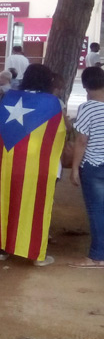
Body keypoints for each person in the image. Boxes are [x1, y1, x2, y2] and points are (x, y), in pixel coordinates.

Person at [0, 64, 65, 266]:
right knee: (33, 205)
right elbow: (57, 134)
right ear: (48, 81)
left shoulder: (10, 98)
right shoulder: (52, 102)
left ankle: (2, 249)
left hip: (4, 164)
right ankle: (34, 254)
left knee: (4, 202)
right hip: (35, 167)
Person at [70, 66, 104, 268]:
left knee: (97, 210)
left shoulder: (88, 107)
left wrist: (74, 168)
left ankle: (97, 256)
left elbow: (81, 140)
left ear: (85, 86)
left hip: (93, 164)